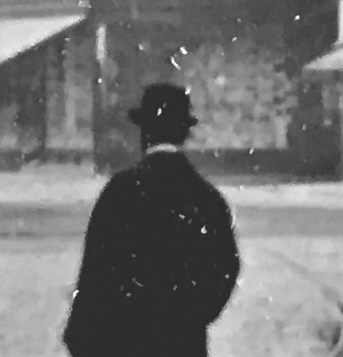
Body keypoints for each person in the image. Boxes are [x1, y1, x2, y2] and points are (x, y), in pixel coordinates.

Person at [63, 84, 241, 357]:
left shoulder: (120, 193)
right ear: (184, 133)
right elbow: (224, 269)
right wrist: (188, 316)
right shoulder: (206, 199)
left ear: (144, 133)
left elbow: (95, 274)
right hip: (182, 344)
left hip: (121, 344)